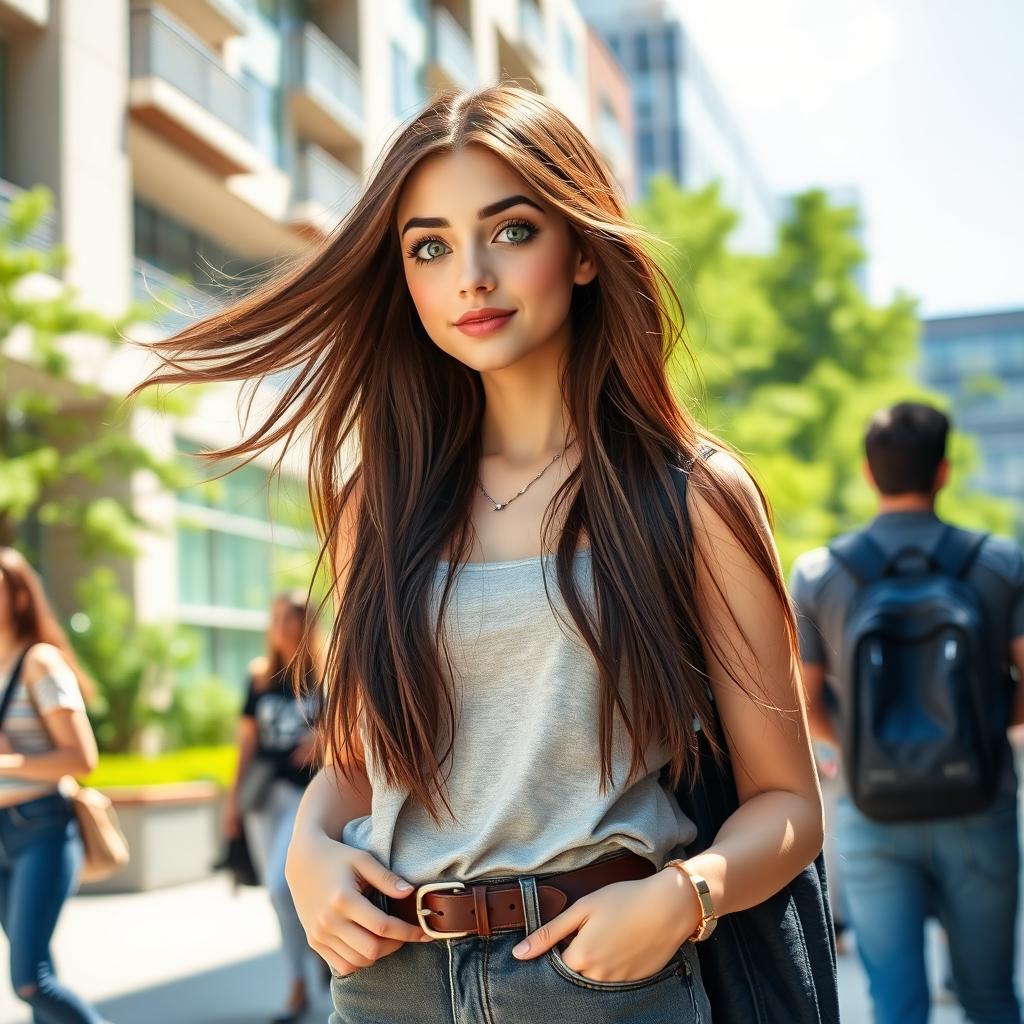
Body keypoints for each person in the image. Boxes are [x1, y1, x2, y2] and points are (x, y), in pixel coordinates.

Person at [133, 85, 825, 1024]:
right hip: (388, 985)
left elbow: (789, 804)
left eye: (510, 231)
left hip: (600, 979)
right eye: (430, 247)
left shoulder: (691, 493)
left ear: (583, 250)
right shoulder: (381, 499)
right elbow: (364, 755)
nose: (470, 277)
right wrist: (307, 847)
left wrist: (680, 899)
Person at [790, 401, 1024, 1024]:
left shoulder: (819, 573)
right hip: (982, 802)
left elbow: (802, 701)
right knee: (991, 999)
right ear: (943, 472)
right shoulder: (1000, 564)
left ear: (868, 475)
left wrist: (862, 748)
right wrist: (981, 730)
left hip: (875, 810)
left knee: (896, 1008)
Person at [0, 547, 111, 1024]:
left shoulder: (39, 662)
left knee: (30, 980)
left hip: (40, 828)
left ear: (19, 597)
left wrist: (6, 759)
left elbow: (82, 759)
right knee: (40, 968)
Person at [224, 591, 324, 1024]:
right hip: (264, 798)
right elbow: (246, 743)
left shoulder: (328, 674)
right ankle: (297, 984)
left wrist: (326, 737)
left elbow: (356, 725)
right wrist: (232, 802)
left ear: (309, 623)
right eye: (278, 618)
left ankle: (317, 956)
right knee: (275, 893)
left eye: (294, 618)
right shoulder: (260, 677)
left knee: (284, 887)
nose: (285, 626)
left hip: (312, 796)